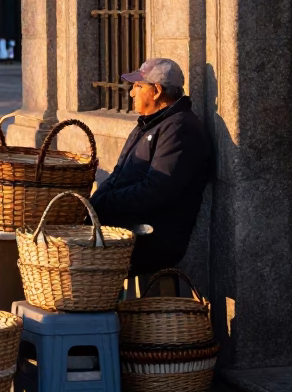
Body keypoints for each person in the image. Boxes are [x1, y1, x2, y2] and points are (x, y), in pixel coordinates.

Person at [89, 58, 211, 291]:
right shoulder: (148, 123)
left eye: (138, 86)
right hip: (127, 226)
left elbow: (156, 192)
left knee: (75, 260)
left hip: (153, 237)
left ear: (156, 91)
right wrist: (93, 206)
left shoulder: (180, 129)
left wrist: (103, 205)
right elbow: (117, 174)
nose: (132, 92)